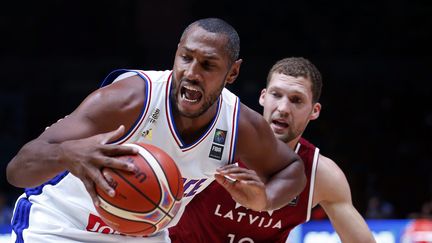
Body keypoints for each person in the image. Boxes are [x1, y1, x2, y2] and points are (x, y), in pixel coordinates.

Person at [6, 18, 306, 242]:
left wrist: (264, 200)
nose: (191, 72)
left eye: (207, 65)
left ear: (233, 72)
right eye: (186, 57)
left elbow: (292, 168)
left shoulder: (240, 125)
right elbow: (17, 170)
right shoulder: (130, 99)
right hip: (62, 227)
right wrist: (66, 154)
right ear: (176, 53)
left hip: (145, 236)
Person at [169, 57, 376, 243]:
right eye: (276, 95)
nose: (283, 108)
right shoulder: (219, 139)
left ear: (315, 111)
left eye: (296, 100)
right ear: (263, 97)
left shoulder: (321, 174)